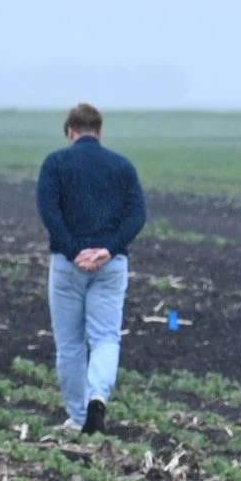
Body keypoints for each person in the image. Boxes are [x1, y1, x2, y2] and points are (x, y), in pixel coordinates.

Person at [35, 103, 147, 435]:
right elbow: (136, 216)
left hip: (67, 265)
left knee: (69, 344)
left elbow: (49, 212)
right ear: (99, 131)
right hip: (111, 265)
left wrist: (73, 251)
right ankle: (98, 395)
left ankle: (79, 417)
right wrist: (108, 249)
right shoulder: (122, 166)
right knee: (106, 338)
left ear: (70, 132)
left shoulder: (55, 163)